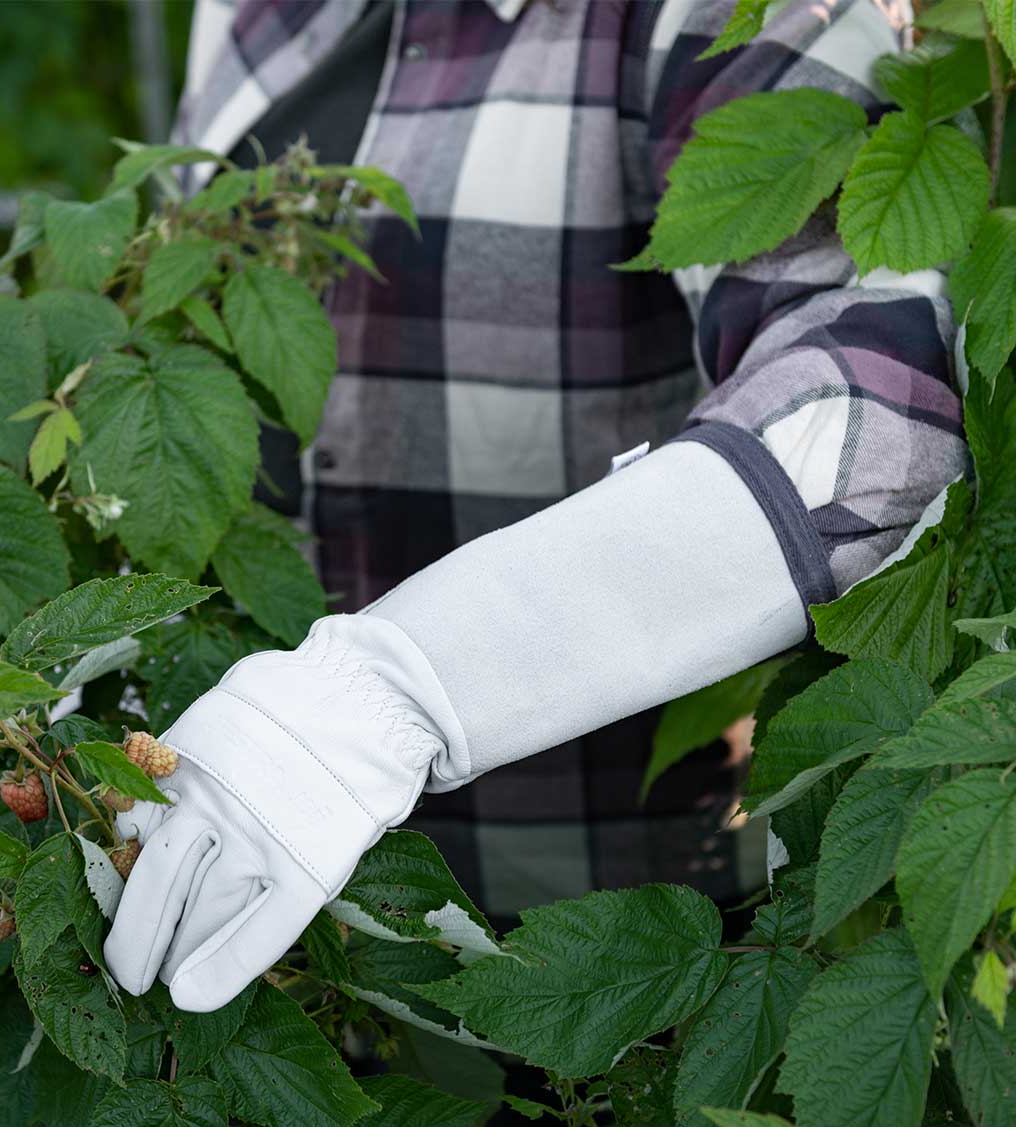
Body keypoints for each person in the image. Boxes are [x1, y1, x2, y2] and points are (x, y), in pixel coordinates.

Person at [103, 0, 966, 1012]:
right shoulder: (249, 14)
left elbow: (874, 425)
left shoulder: (714, 18)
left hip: (595, 968)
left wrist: (386, 699)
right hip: (255, 911)